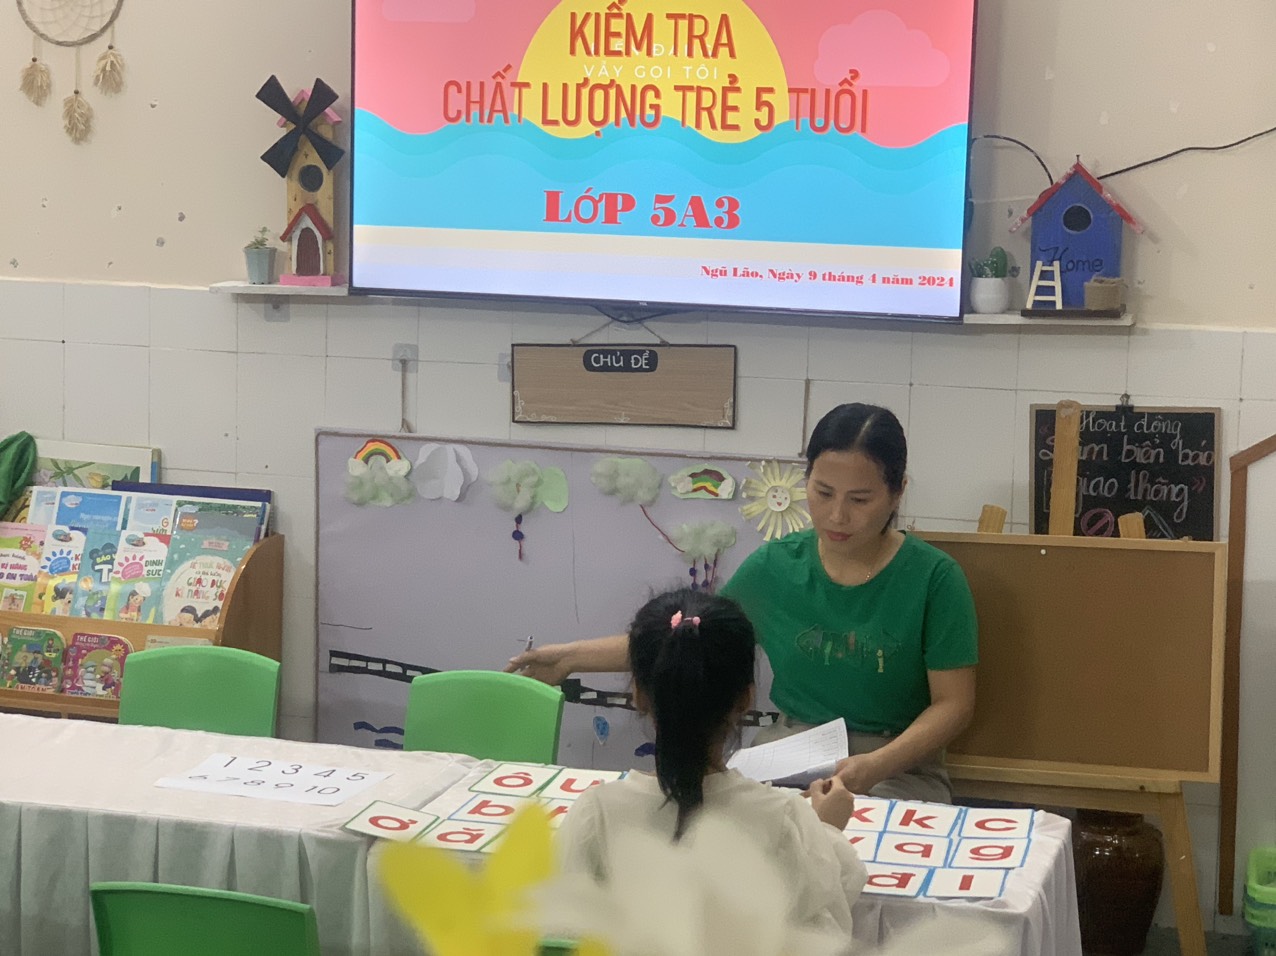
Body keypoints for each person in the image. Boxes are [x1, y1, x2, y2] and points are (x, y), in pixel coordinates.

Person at [509, 403, 978, 802]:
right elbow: (685, 634)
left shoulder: (934, 579)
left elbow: (954, 704)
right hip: (791, 750)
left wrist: (875, 766)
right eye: (823, 493)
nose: (837, 515)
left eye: (860, 499)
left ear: (897, 493)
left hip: (897, 767)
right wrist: (568, 658)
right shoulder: (777, 566)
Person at [556, 587, 866, 941]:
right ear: (746, 699)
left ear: (638, 695)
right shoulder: (783, 820)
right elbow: (828, 922)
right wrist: (826, 830)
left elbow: (561, 929)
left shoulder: (597, 813)